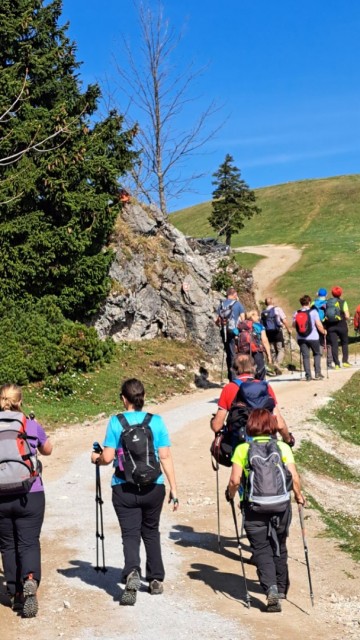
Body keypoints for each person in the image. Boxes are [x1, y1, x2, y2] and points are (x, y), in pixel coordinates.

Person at [91, 378, 178, 606]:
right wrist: (174, 489)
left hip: (124, 486)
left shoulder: (116, 422)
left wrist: (96, 458)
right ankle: (156, 578)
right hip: (154, 486)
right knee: (151, 531)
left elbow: (108, 457)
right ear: (142, 397)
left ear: (123, 398)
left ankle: (132, 573)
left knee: (130, 533)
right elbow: (165, 456)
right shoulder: (156, 422)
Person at [226, 409, 305, 612]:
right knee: (279, 544)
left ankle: (269, 588)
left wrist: (230, 494)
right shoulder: (282, 447)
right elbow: (294, 477)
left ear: (250, 426)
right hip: (281, 505)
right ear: (271, 426)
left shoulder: (243, 449)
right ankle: (281, 588)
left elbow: (235, 480)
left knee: (261, 548)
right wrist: (298, 496)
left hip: (253, 506)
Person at [0, 384, 53, 617]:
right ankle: (30, 578)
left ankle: (15, 593)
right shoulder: (29, 424)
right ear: (19, 401)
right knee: (29, 541)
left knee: (8, 544)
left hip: (0, 495)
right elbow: (48, 449)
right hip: (30, 492)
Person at [210, 354, 293, 445]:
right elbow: (279, 424)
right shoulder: (265, 387)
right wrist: (288, 440)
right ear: (254, 367)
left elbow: (217, 426)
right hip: (267, 442)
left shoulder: (229, 388)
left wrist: (213, 421)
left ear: (233, 370)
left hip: (240, 443)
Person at [293, 295, 327, 381]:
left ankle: (308, 375)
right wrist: (324, 331)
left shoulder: (296, 313)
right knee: (316, 354)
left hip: (301, 338)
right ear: (309, 302)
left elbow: (293, 325)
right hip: (313, 337)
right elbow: (318, 325)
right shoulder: (313, 312)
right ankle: (317, 373)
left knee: (305, 356)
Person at [215, 286, 245, 382]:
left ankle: (230, 376)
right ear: (234, 294)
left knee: (229, 353)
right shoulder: (238, 304)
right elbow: (243, 319)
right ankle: (236, 377)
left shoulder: (222, 304)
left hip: (224, 331)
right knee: (235, 354)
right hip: (234, 332)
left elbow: (218, 320)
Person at [237, 310, 272, 380]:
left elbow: (235, 334)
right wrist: (269, 355)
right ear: (252, 316)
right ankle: (261, 386)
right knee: (260, 370)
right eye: (257, 315)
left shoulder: (241, 326)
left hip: (244, 352)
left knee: (247, 370)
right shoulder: (259, 326)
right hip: (256, 350)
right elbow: (264, 340)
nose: (258, 317)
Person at [261, 297, 292, 373]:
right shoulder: (277, 309)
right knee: (281, 349)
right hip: (277, 331)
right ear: (272, 302)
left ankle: (276, 370)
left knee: (273, 350)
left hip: (268, 332)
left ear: (265, 303)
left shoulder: (263, 312)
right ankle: (277, 364)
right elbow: (284, 320)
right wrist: (288, 329)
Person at [325, 286, 351, 369]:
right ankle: (345, 361)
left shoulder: (328, 302)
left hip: (331, 326)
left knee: (334, 345)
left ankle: (336, 364)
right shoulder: (343, 302)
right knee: (344, 343)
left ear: (332, 293)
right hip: (342, 325)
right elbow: (347, 316)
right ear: (341, 293)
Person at [312, 288, 333, 369]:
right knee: (329, 344)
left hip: (316, 324)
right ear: (326, 294)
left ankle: (317, 364)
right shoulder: (327, 303)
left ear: (318, 294)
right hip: (326, 324)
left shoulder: (314, 303)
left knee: (318, 344)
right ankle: (329, 363)